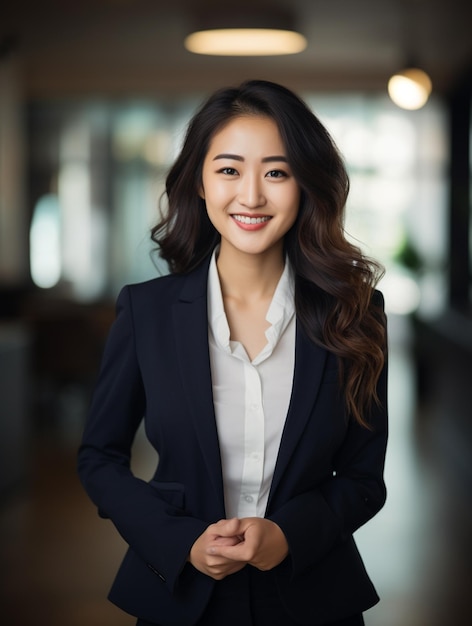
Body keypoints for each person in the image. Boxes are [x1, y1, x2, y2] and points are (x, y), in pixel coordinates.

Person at [77, 79, 388, 626]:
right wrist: (181, 541)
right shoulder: (146, 312)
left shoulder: (356, 314)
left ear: (305, 184)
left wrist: (289, 534)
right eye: (228, 170)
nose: (251, 196)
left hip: (312, 594)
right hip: (179, 592)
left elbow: (364, 479)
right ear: (199, 181)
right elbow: (99, 457)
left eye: (276, 171)